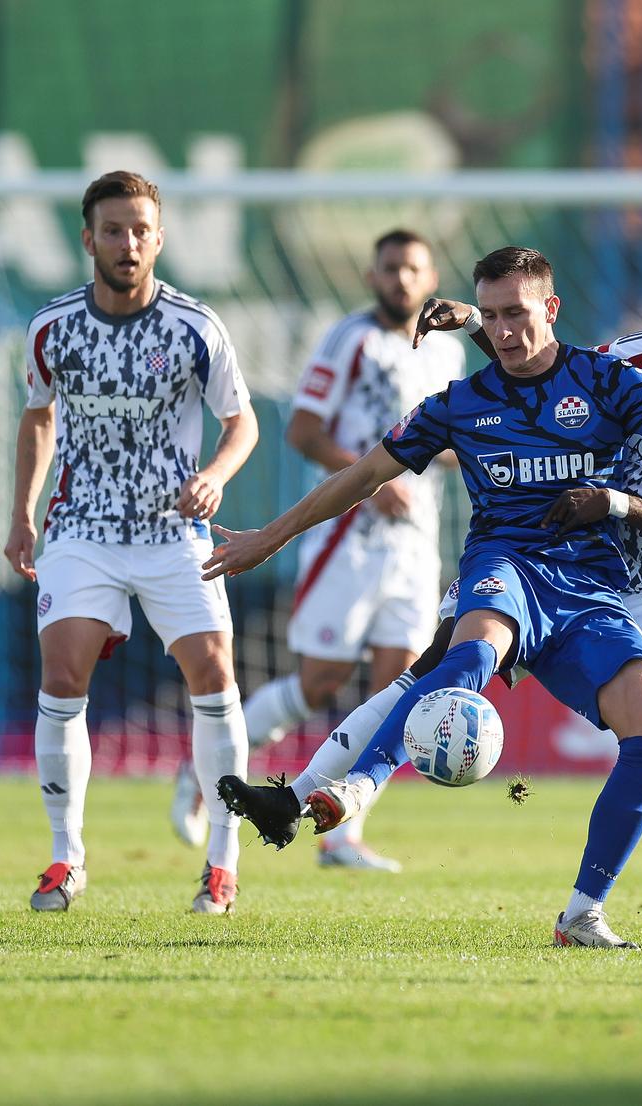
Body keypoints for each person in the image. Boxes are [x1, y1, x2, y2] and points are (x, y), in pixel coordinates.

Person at [208, 245, 642, 947]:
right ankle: (311, 796)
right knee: (449, 661)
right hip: (531, 553)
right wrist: (482, 319)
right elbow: (536, 362)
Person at [6, 170, 260, 915]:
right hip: (81, 528)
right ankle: (65, 857)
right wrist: (22, 514)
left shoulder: (195, 326)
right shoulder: (53, 327)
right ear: (88, 239)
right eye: (113, 230)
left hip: (173, 531)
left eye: (141, 229)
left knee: (213, 673)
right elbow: (38, 417)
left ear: (160, 237)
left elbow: (240, 422)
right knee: (62, 670)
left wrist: (214, 475)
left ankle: (222, 860)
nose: (128, 243)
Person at [169, 229, 463, 873]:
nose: (402, 280)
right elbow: (303, 430)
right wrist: (372, 476)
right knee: (320, 681)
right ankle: (203, 776)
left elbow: (445, 441)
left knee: (400, 690)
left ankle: (341, 836)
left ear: (431, 275)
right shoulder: (352, 340)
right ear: (371, 274)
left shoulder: (446, 357)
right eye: (390, 268)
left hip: (413, 548)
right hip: (346, 540)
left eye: (413, 268)